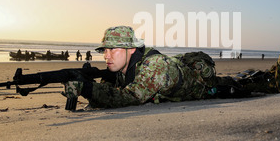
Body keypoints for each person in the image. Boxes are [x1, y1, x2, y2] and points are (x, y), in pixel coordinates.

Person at [62, 26, 242, 109]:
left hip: (205, 87)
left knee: (244, 85)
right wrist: (100, 84)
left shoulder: (154, 67)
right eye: (105, 50)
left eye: (112, 49)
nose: (106, 55)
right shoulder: (121, 68)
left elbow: (129, 98)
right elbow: (111, 94)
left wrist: (87, 89)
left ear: (131, 49)